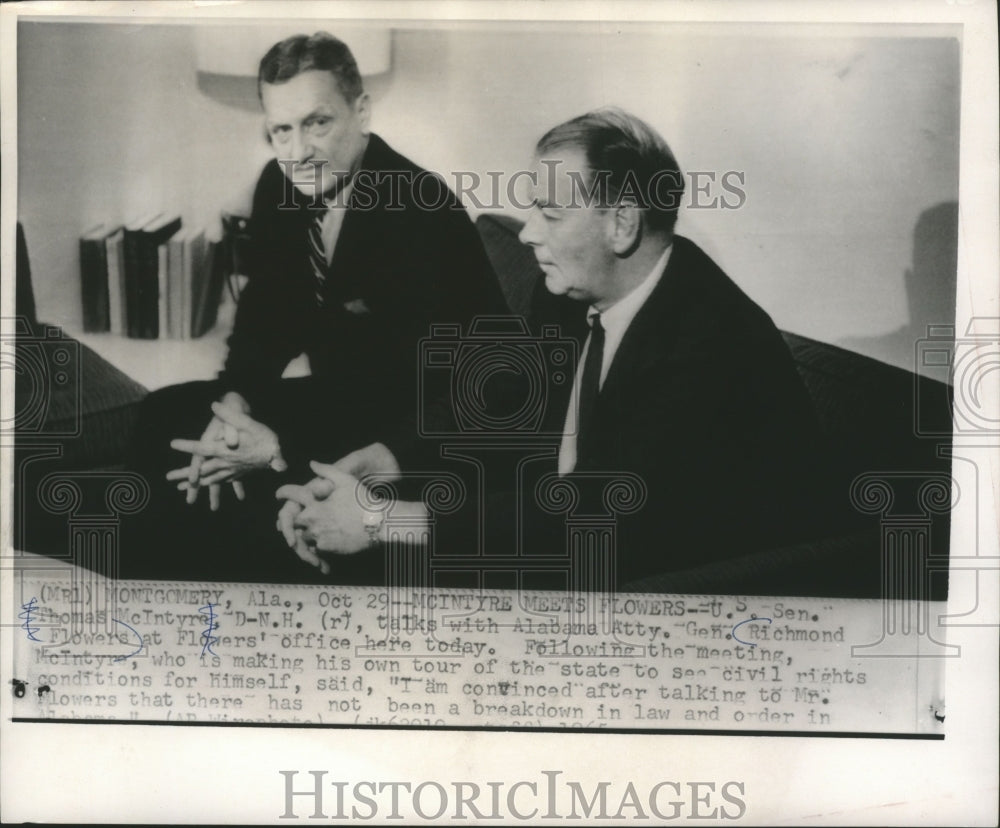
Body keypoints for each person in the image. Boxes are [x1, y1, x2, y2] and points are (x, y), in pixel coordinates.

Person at [276, 107, 829, 590]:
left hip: (674, 586)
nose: (526, 234)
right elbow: (504, 401)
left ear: (622, 224)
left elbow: (594, 516)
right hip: (564, 533)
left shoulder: (708, 346)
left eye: (551, 214)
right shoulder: (570, 290)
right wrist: (387, 462)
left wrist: (379, 522)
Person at [122, 32, 505, 581]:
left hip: (421, 434)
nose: (298, 152)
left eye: (317, 123)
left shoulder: (422, 212)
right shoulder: (277, 187)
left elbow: (474, 393)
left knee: (246, 492)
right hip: (340, 403)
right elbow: (263, 321)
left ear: (361, 112)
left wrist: (279, 448)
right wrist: (234, 410)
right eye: (282, 130)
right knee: (164, 416)